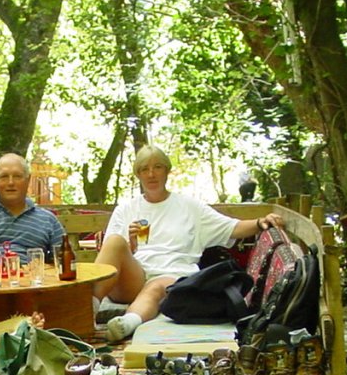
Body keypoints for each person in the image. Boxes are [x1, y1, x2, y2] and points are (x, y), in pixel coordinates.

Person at [93, 145, 285, 342]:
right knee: (115, 241)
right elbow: (113, 256)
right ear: (138, 174)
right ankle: (88, 310)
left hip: (175, 279)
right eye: (144, 169)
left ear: (167, 171)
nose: (151, 174)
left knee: (156, 286)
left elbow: (232, 227)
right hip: (136, 276)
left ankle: (126, 324)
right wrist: (131, 244)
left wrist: (260, 222)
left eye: (157, 167)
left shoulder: (189, 207)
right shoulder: (127, 208)